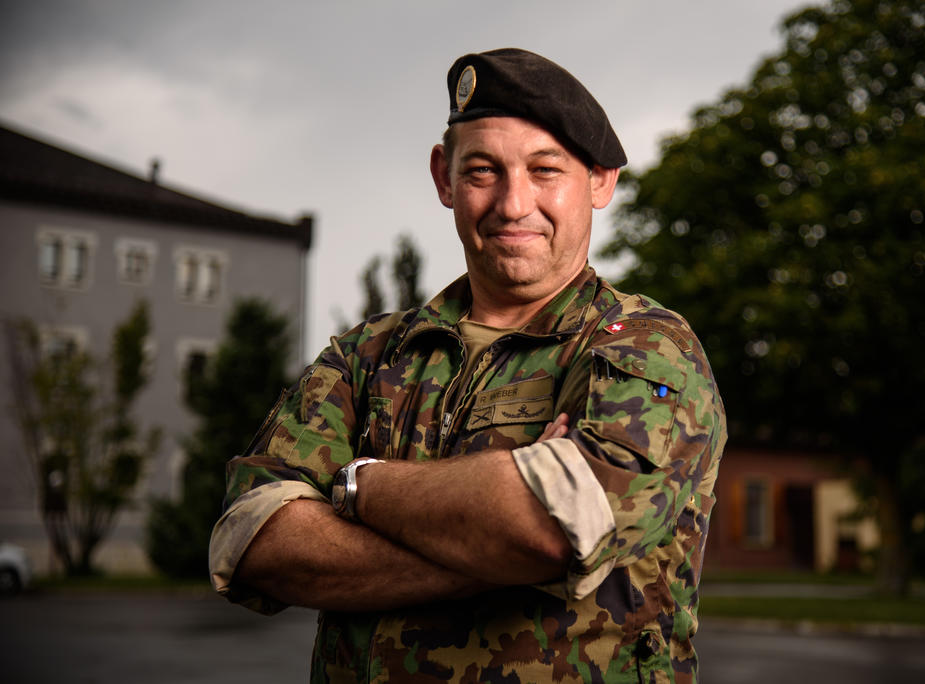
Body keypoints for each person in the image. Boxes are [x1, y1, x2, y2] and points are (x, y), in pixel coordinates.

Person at [209, 47, 726, 683]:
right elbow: (253, 541)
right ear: (444, 177)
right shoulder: (365, 355)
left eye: (544, 171)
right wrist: (492, 545)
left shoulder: (642, 345)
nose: (513, 205)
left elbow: (551, 528)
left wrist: (356, 486)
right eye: (484, 170)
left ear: (599, 181)